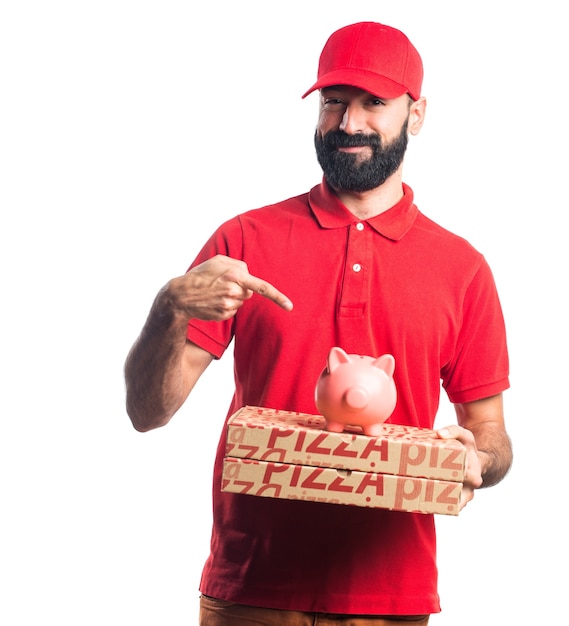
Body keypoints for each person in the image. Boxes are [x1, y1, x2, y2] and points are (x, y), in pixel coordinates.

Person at [125, 21, 513, 626]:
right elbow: (149, 412)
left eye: (373, 103)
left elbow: (490, 433)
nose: (349, 124)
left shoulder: (462, 270)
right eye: (334, 102)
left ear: (416, 115)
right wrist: (166, 309)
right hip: (250, 591)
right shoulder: (243, 241)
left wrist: (476, 461)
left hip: (390, 599)